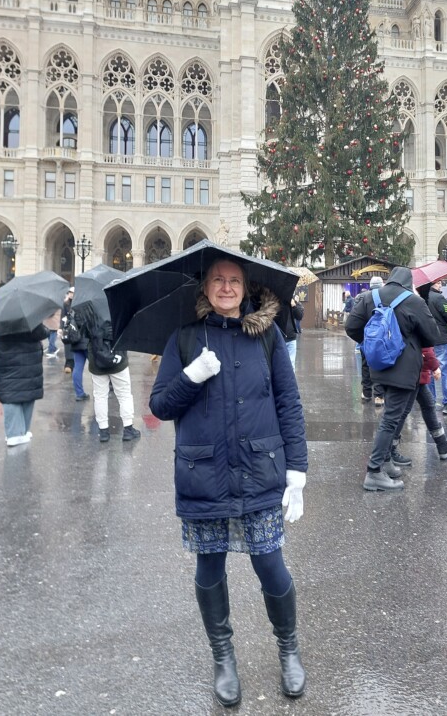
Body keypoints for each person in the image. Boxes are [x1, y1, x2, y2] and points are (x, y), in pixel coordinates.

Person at [149, 258, 308, 705]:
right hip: (205, 474)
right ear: (206, 286)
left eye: (233, 280)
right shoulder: (184, 337)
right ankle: (223, 659)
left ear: (246, 288)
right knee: (210, 568)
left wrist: (297, 470)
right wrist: (190, 377)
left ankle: (289, 649)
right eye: (217, 279)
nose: (225, 287)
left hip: (260, 470)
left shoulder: (268, 336)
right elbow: (160, 405)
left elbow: (289, 405)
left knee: (270, 565)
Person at [344, 266, 439, 491]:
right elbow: (432, 336)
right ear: (409, 282)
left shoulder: (369, 297)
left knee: (393, 415)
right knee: (390, 419)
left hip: (379, 366)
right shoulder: (413, 301)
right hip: (404, 369)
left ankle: (385, 461)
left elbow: (351, 327)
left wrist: (372, 345)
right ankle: (374, 471)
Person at [387, 347, 447, 466]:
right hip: (414, 371)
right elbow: (425, 348)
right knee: (404, 411)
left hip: (415, 370)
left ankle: (442, 444)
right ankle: (390, 450)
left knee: (428, 405)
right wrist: (435, 366)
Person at [0, 311, 60, 446]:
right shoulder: (30, 317)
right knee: (27, 394)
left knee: (10, 394)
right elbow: (41, 333)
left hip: (7, 362)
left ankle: (14, 433)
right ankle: (21, 431)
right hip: (29, 362)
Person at [80, 311, 141, 442]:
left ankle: (103, 431)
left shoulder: (89, 308)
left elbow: (83, 333)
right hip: (118, 359)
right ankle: (128, 429)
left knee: (100, 396)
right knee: (124, 395)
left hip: (96, 361)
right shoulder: (118, 304)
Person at [425, 281, 447, 414]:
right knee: (445, 372)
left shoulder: (421, 298)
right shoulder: (438, 298)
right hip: (440, 339)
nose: (440, 285)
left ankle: (430, 402)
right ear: (434, 284)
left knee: (428, 371)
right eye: (439, 283)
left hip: (425, 339)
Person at [358, 276, 385, 405]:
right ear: (381, 284)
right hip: (382, 338)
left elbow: (354, 320)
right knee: (380, 364)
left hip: (366, 337)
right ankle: (379, 395)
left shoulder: (362, 297)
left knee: (365, 364)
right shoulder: (387, 297)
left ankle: (366, 392)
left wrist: (359, 338)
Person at [284, 296, 304, 371]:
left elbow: (299, 316)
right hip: (279, 338)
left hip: (291, 338)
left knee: (291, 365)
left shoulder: (293, 302)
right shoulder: (277, 300)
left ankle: (291, 382)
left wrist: (294, 305)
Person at [61, 287, 75, 373]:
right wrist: (60, 327)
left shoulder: (78, 303)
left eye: (72, 292)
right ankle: (68, 364)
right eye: (69, 292)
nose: (71, 294)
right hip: (67, 327)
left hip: (75, 329)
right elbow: (62, 316)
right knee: (67, 345)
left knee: (74, 346)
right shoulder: (65, 304)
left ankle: (71, 364)